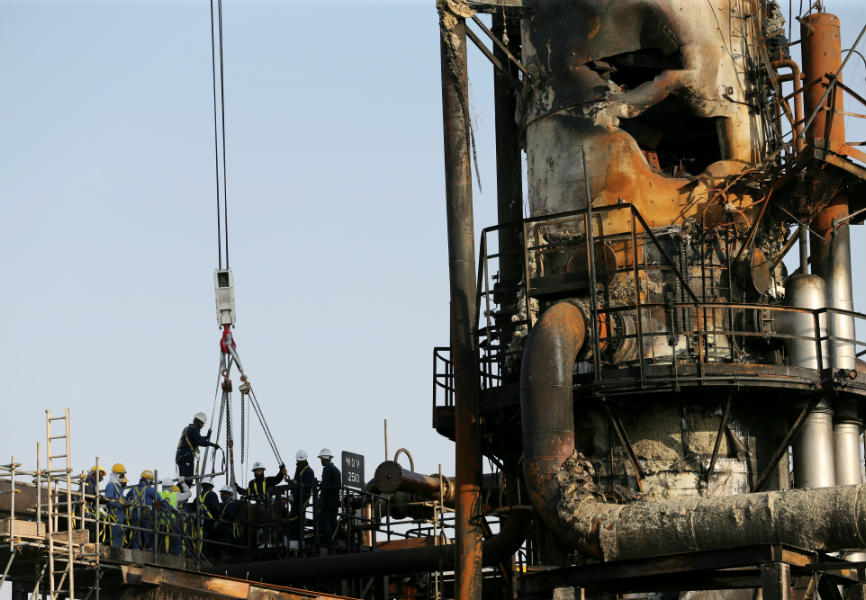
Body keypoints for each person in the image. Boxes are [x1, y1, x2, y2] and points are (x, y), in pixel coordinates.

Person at [175, 412, 220, 487]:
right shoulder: (194, 429)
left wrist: (206, 437)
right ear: (199, 422)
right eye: (202, 423)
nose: (202, 425)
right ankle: (179, 495)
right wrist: (212, 444)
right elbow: (199, 441)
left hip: (180, 458)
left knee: (183, 480)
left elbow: (195, 438)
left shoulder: (188, 428)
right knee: (188, 481)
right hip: (186, 458)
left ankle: (177, 493)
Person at [125, 470, 157, 551]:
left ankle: (136, 548)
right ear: (149, 480)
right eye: (152, 481)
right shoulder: (150, 490)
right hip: (146, 516)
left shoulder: (133, 490)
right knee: (148, 533)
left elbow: (126, 500)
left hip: (135, 515)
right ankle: (150, 549)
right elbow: (160, 501)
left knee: (135, 532)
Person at [288, 450, 316, 539]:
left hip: (301, 502)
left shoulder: (308, 471)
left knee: (298, 523)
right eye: (298, 462)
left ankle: (298, 543)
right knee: (292, 523)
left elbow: (306, 489)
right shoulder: (298, 469)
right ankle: (294, 543)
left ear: (304, 461)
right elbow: (296, 482)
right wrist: (290, 481)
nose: (298, 463)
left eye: (300, 462)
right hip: (295, 502)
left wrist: (295, 496)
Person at [191, 477, 220, 558]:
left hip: (197, 524)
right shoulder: (212, 495)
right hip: (208, 524)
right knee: (207, 543)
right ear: (211, 486)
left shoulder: (197, 497)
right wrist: (218, 519)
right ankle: (204, 560)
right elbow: (215, 508)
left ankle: (197, 558)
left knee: (198, 543)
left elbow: (193, 509)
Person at [316, 448, 341, 544]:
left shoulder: (327, 469)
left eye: (321, 459)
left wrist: (320, 501)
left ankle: (329, 541)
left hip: (328, 502)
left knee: (323, 518)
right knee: (333, 521)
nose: (321, 461)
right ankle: (335, 541)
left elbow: (325, 487)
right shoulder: (337, 470)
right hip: (335, 501)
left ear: (324, 458)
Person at [215, 485, 243, 558]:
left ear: (230, 494)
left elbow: (232, 518)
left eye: (224, 493)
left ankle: (225, 554)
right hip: (225, 528)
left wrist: (223, 520)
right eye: (222, 493)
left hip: (229, 529)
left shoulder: (231, 504)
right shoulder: (224, 504)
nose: (222, 495)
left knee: (226, 541)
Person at [104, 463, 127, 548]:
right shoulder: (111, 485)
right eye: (121, 476)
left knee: (120, 535)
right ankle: (115, 551)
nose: (123, 478)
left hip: (120, 517)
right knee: (115, 538)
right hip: (114, 517)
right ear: (116, 475)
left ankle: (118, 549)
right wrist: (120, 504)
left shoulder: (119, 487)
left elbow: (122, 498)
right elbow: (109, 501)